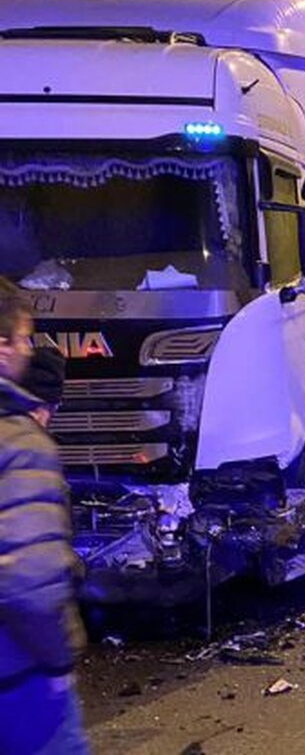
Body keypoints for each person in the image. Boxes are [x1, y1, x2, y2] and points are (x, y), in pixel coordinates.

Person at [0, 279, 90, 754]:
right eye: (23, 338)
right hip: (19, 679)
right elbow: (27, 580)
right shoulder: (18, 443)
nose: (27, 350)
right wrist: (57, 663)